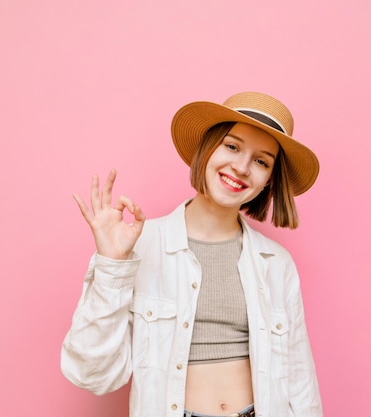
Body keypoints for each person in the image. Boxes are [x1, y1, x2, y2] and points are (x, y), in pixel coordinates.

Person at [61, 92, 323, 417]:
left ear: (270, 180)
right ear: (207, 147)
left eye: (261, 161)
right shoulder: (138, 245)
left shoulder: (277, 263)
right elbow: (92, 375)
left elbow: (300, 382)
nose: (241, 167)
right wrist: (111, 265)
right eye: (232, 146)